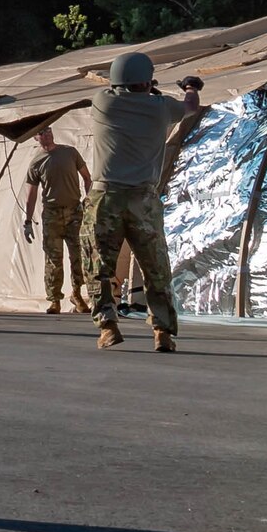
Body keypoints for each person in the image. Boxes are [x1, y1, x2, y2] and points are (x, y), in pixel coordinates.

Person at [81, 54, 200, 351]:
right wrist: (190, 87)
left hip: (105, 197)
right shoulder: (161, 109)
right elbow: (190, 107)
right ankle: (163, 332)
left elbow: (115, 89)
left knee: (98, 264)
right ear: (146, 81)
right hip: (143, 199)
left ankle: (107, 326)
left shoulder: (103, 102)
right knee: (154, 266)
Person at [21, 127, 92, 314]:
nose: (47, 134)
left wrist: (88, 200)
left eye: (49, 130)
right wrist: (27, 222)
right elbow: (31, 194)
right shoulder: (36, 163)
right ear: (36, 138)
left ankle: (76, 294)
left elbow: (87, 177)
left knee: (79, 256)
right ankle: (54, 300)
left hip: (74, 212)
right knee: (53, 259)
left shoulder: (70, 153)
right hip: (52, 215)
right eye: (42, 133)